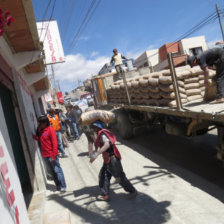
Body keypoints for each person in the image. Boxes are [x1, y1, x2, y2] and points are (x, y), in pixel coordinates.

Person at [90, 120, 137, 201]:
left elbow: (107, 144)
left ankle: (133, 191)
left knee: (120, 177)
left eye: (94, 126)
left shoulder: (103, 134)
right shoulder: (100, 134)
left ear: (97, 126)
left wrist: (97, 154)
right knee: (103, 176)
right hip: (107, 160)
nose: (93, 128)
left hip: (113, 160)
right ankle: (105, 195)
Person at [34, 115, 66, 192]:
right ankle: (57, 185)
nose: (39, 125)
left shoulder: (50, 130)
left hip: (52, 155)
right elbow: (41, 140)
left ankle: (63, 186)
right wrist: (34, 137)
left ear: (45, 123)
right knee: (51, 171)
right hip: (44, 155)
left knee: (57, 170)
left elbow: (55, 144)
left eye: (40, 123)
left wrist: (54, 156)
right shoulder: (40, 130)